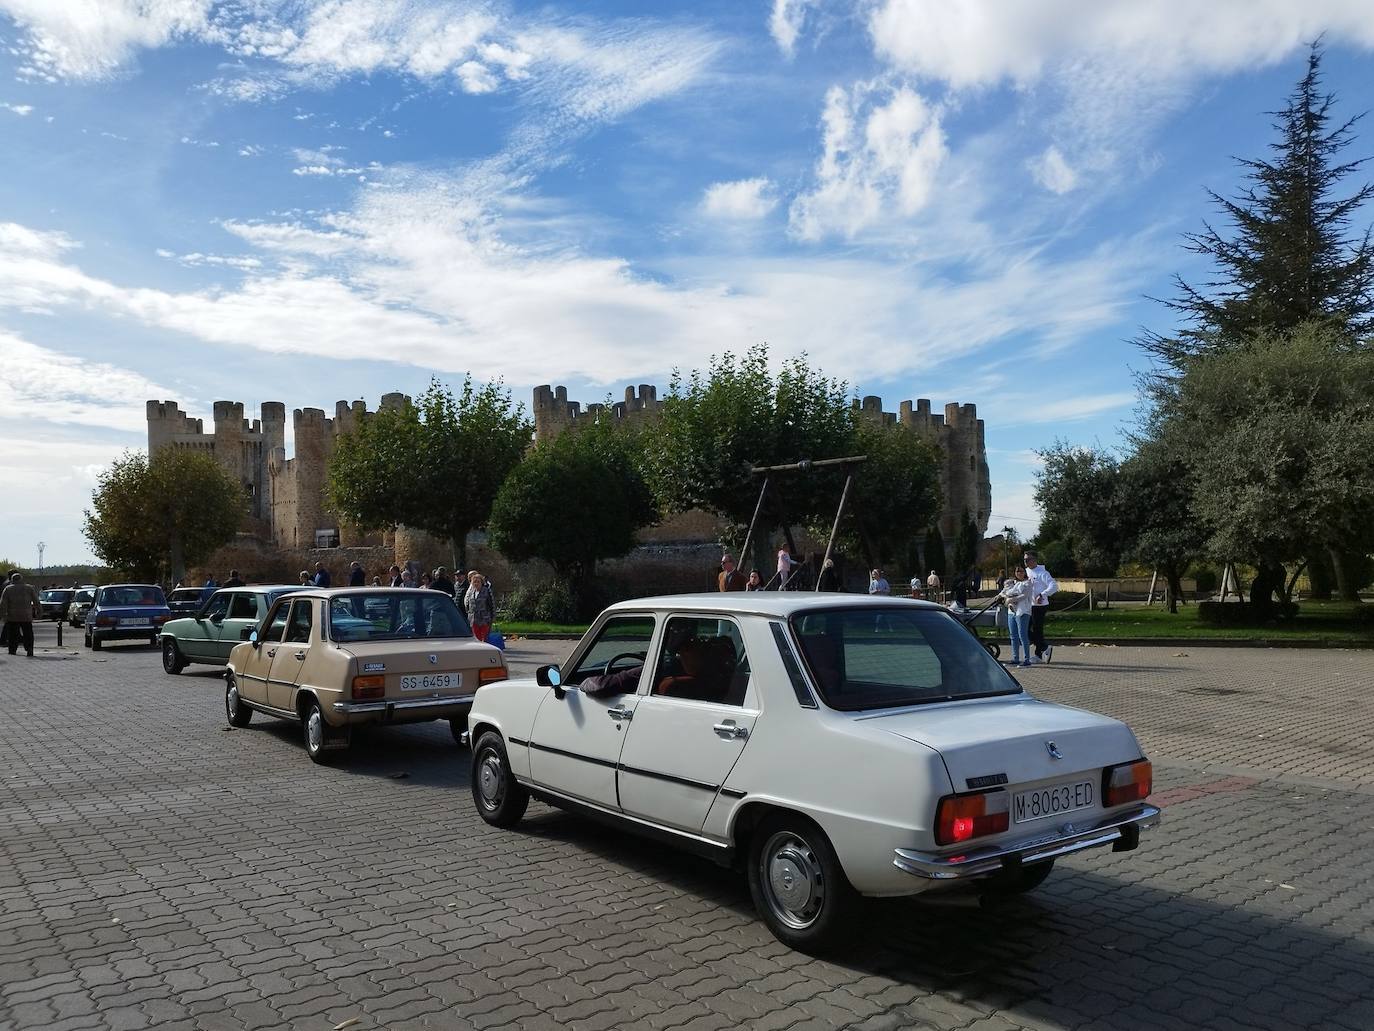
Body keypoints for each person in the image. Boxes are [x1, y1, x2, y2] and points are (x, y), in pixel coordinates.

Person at [1024, 550, 1058, 663]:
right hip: (1028, 605)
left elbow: (1054, 586)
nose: (1025, 561)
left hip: (1039, 606)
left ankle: (1039, 653)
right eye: (1024, 559)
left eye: (1027, 559)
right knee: (1024, 629)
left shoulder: (1042, 573)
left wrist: (1042, 595)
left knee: (1037, 629)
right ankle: (1043, 647)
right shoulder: (1026, 572)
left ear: (1034, 560)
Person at [998, 566, 1033, 667]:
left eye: (1021, 571)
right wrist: (1003, 596)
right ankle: (1015, 658)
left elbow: (1024, 595)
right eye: (1017, 571)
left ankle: (1027, 660)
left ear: (1025, 573)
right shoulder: (1013, 583)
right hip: (1011, 612)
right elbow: (1006, 592)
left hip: (1023, 612)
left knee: (1023, 635)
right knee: (1013, 636)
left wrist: (1011, 599)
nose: (1019, 573)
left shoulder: (1027, 583)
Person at [0, 572, 40, 657]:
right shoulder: (29, 588)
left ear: (12, 580)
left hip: (13, 616)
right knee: (28, 633)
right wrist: (39, 611)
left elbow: (3, 603)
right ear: (21, 579)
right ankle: (29, 648)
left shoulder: (8, 589)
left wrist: (3, 615)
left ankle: (12, 650)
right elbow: (36, 601)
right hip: (26, 615)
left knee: (13, 634)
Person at [464, 571, 494, 642]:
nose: (476, 583)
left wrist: (492, 617)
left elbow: (492, 604)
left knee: (485, 638)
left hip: (484, 618)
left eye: (478, 582)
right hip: (473, 619)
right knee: (477, 639)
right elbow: (467, 604)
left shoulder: (487, 591)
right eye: (474, 582)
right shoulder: (471, 592)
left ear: (481, 582)